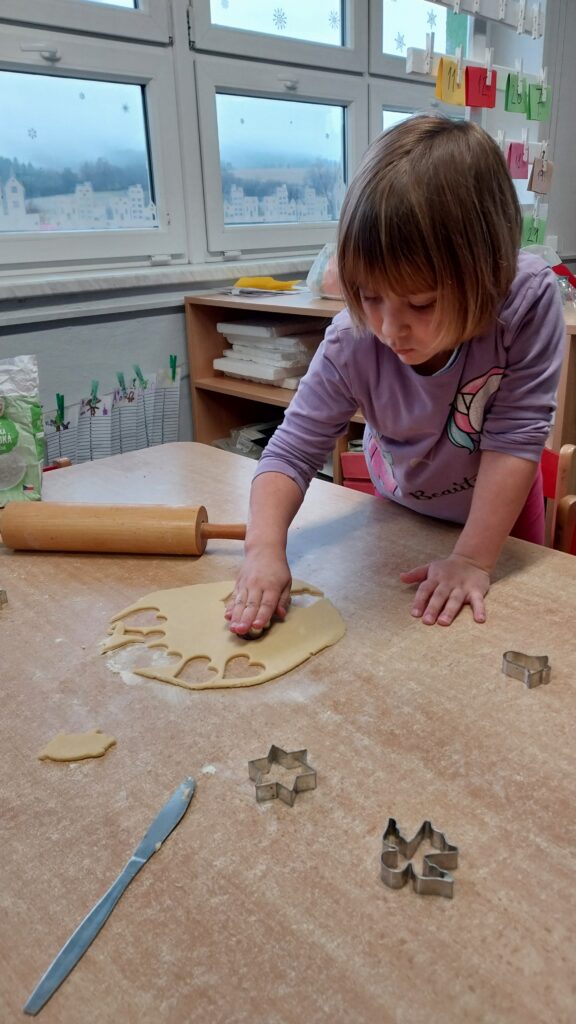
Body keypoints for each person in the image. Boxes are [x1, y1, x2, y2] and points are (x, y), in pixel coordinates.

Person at [225, 115, 565, 634]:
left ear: (489, 273)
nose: (389, 328)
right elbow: (290, 452)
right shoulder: (352, 338)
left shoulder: (524, 305)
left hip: (499, 527)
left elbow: (516, 438)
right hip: (402, 510)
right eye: (369, 296)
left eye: (422, 303)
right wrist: (264, 550)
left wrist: (472, 559)